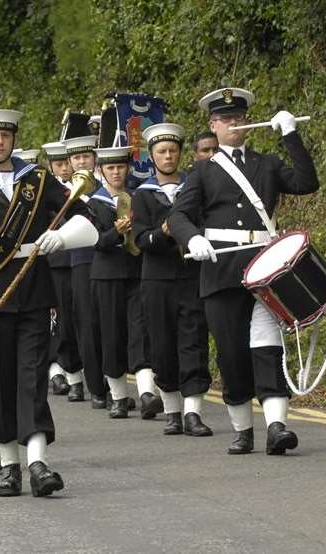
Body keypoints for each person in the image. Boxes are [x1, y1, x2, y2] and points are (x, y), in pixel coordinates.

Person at [0, 108, 97, 497]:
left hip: (33, 288)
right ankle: (9, 465)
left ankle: (37, 462)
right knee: (0, 378)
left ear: (13, 139)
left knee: (32, 376)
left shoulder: (38, 179)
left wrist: (61, 238)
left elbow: (85, 217)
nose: (0, 142)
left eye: (5, 136)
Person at [168, 87, 318, 455]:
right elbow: (178, 215)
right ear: (213, 125)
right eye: (226, 119)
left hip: (265, 268)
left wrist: (290, 135)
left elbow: (306, 183)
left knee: (267, 347)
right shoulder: (202, 171)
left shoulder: (266, 164)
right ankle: (243, 429)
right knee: (232, 355)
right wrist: (191, 239)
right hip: (221, 270)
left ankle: (277, 426)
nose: (235, 124)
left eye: (239, 118)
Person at [132, 123, 212, 436]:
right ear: (152, 157)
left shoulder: (194, 188)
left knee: (193, 340)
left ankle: (193, 412)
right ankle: (172, 410)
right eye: (162, 152)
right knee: (162, 344)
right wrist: (162, 233)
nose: (168, 156)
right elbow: (139, 241)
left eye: (173, 151)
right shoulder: (142, 195)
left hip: (190, 275)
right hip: (157, 280)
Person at [87, 136, 158, 420]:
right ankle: (118, 396)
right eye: (111, 168)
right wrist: (115, 232)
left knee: (140, 330)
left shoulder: (138, 197)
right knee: (112, 334)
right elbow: (95, 242)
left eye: (120, 167)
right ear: (101, 171)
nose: (116, 172)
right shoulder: (93, 203)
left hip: (136, 271)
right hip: (106, 275)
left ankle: (146, 393)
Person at [61, 116, 108, 408]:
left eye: (86, 156)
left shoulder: (107, 185)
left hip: (111, 258)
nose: (82, 162)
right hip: (81, 260)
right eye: (77, 157)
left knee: (110, 323)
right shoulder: (64, 191)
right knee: (87, 322)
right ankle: (96, 386)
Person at [41, 141, 84, 400]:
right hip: (56, 262)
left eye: (67, 163)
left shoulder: (83, 189)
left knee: (83, 319)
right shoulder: (48, 192)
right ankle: (66, 372)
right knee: (61, 321)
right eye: (59, 164)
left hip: (79, 261)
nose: (65, 169)